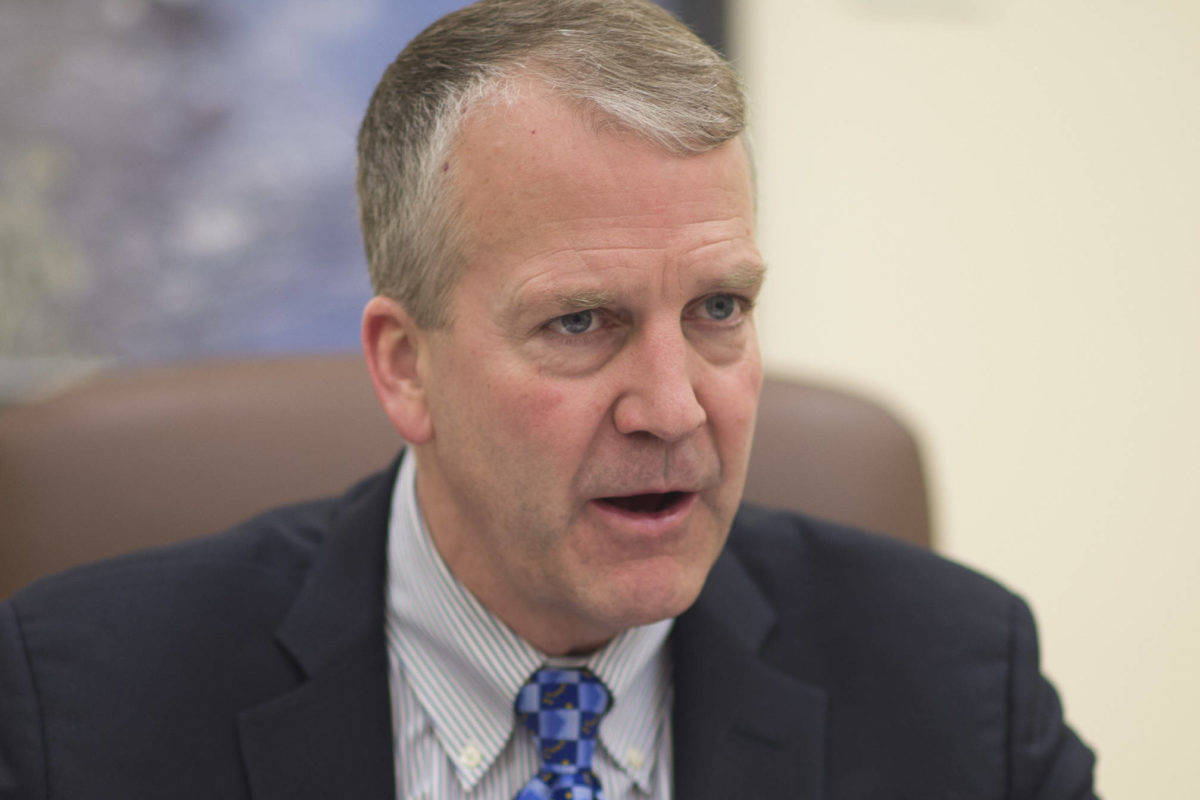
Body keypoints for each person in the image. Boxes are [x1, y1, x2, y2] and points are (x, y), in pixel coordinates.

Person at [0, 1, 1097, 797]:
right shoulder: (79, 704)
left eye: (718, 307)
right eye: (582, 322)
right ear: (404, 365)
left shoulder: (959, 685)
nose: (673, 407)